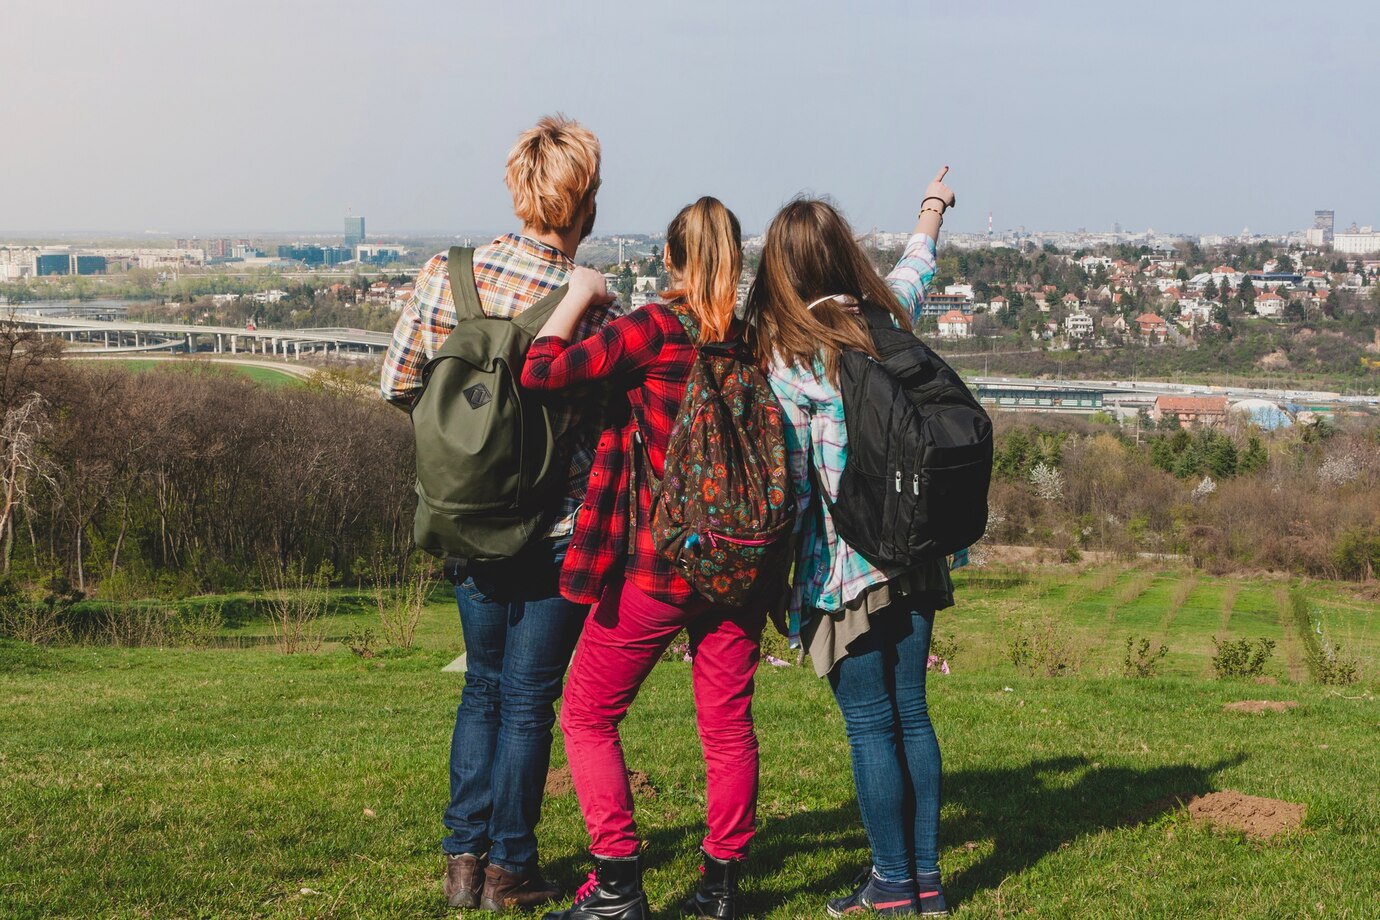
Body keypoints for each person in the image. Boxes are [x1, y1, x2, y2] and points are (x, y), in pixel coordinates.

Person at [380, 115, 618, 913]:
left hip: (465, 518)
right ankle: (510, 868)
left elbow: (397, 384)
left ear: (517, 189)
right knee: (526, 699)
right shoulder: (592, 303)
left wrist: (467, 444)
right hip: (556, 528)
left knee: (481, 689)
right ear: (583, 201)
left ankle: (460, 864)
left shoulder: (446, 275)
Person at [521, 197, 763, 920]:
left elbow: (543, 371)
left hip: (658, 565)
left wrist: (577, 296)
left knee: (588, 712)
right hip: (737, 563)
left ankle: (618, 881)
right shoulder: (751, 340)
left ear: (668, 259)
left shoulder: (656, 329)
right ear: (734, 260)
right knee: (727, 726)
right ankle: (720, 886)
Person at [744, 169, 958, 918]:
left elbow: (795, 486)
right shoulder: (885, 318)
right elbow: (916, 267)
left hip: (843, 568)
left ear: (780, 268)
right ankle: (927, 883)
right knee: (913, 713)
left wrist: (779, 582)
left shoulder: (784, 356)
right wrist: (931, 209)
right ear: (840, 256)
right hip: (917, 547)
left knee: (871, 726)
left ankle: (893, 883)